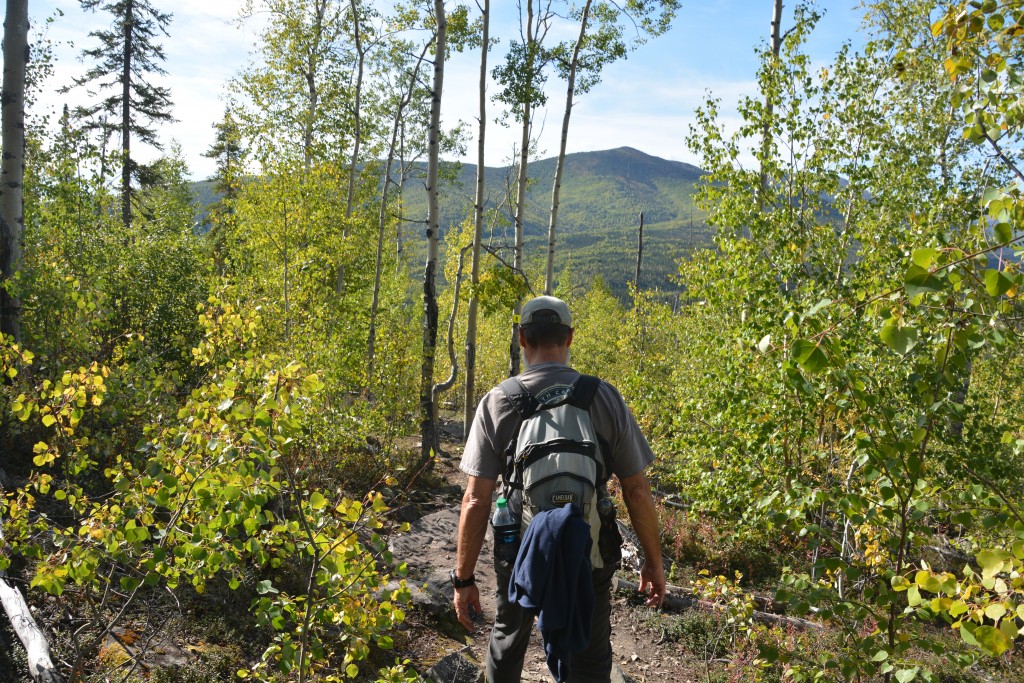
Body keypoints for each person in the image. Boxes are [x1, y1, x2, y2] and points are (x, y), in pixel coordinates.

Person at [453, 295, 666, 683]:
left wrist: (463, 579)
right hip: (589, 547)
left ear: (522, 339)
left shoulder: (498, 401)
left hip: (519, 548)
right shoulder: (603, 397)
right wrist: (653, 562)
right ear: (570, 338)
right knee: (590, 651)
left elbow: (476, 499)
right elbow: (636, 491)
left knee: (508, 639)